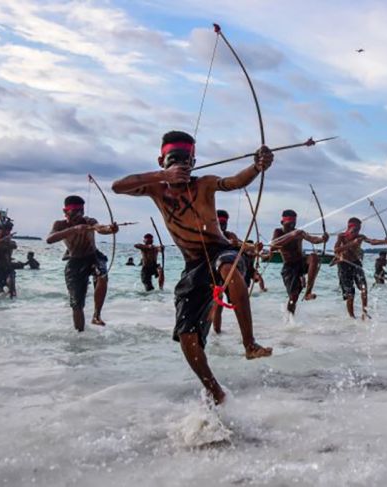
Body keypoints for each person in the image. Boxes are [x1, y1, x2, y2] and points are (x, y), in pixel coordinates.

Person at [112, 130, 272, 405]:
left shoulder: (205, 183)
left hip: (220, 251)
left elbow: (234, 182)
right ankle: (215, 392)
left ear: (194, 162)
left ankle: (249, 344)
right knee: (187, 335)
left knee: (230, 269)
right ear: (161, 160)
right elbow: (118, 186)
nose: (181, 166)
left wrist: (257, 166)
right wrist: (163, 176)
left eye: (186, 161)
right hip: (192, 265)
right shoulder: (155, 188)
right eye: (174, 160)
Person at [46, 195, 118, 330]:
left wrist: (111, 229)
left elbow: (100, 228)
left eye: (82, 211)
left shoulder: (89, 221)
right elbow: (49, 239)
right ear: (65, 211)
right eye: (75, 211)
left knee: (102, 275)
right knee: (76, 304)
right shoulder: (60, 225)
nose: (79, 214)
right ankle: (79, 335)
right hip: (75, 262)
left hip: (93, 257)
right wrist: (73, 229)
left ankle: (96, 315)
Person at [270, 209, 328, 315]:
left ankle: (308, 293)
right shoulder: (278, 232)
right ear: (282, 222)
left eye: (293, 224)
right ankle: (289, 320)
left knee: (314, 257)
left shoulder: (299, 232)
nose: (291, 226)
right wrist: (291, 235)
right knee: (293, 297)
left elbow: (313, 239)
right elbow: (273, 246)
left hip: (301, 262)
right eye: (289, 224)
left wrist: (323, 239)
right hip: (289, 267)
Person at [333, 217, 387, 319]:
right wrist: (352, 243)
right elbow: (336, 250)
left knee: (364, 288)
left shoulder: (360, 236)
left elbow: (372, 241)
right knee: (350, 294)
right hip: (344, 264)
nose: (357, 232)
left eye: (359, 229)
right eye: (355, 229)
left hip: (356, 263)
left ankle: (365, 312)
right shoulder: (341, 236)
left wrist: (384, 241)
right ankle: (352, 317)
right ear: (349, 228)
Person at [0, 220, 17, 298]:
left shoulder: (11, 243)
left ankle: (15, 305)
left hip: (8, 268)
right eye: (2, 229)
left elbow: (13, 246)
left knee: (11, 285)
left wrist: (7, 239)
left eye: (8, 230)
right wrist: (4, 237)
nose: (5, 232)